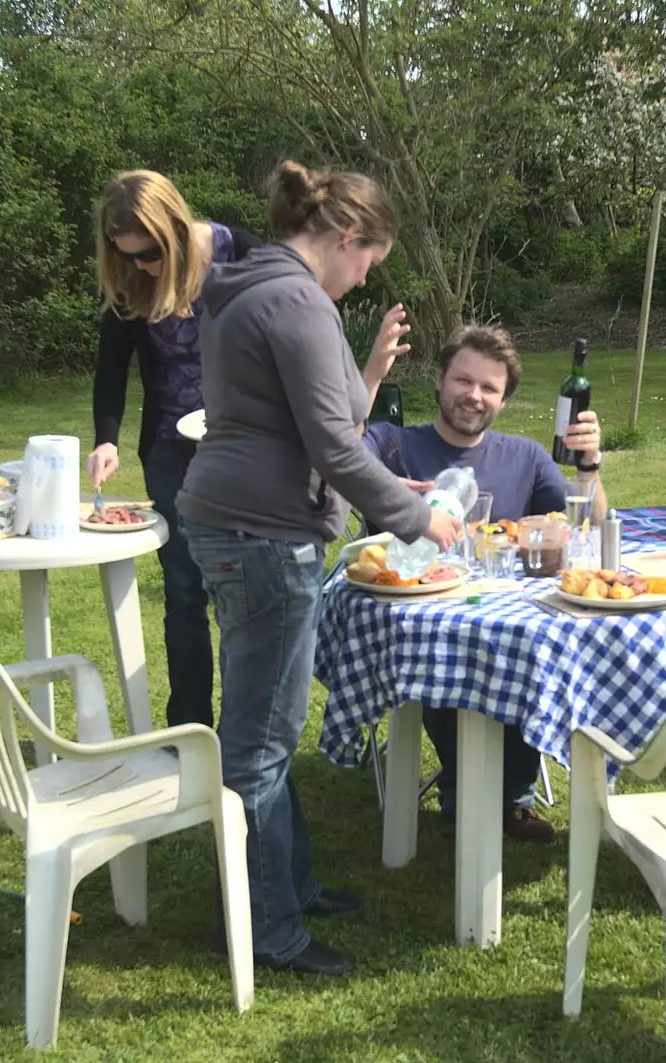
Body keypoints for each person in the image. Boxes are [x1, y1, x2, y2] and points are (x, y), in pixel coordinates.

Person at [178, 160, 464, 976]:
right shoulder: (296, 300)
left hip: (234, 521)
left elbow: (309, 426)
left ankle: (288, 883)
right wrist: (419, 518)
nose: (364, 276)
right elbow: (334, 446)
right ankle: (266, 929)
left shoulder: (249, 288)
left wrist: (388, 481)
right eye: (367, 261)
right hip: (264, 535)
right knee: (260, 743)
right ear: (344, 237)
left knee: (264, 722)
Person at [360, 323, 607, 842]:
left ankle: (500, 795)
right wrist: (372, 376)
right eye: (463, 381)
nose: (474, 395)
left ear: (503, 399)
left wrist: (590, 466)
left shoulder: (526, 458)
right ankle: (485, 794)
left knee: (530, 656)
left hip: (510, 625)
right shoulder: (395, 445)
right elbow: (338, 443)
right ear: (440, 381)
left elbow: (588, 530)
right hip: (422, 622)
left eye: (489, 387)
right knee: (451, 657)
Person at [87, 170, 261, 731]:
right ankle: (191, 727)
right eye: (126, 255)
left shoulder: (241, 253)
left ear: (176, 231)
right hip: (169, 450)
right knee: (184, 592)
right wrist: (107, 439)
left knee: (244, 590)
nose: (139, 266)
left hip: (249, 448)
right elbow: (112, 368)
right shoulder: (131, 279)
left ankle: (243, 730)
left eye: (148, 254)